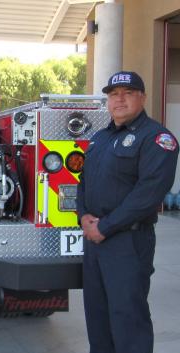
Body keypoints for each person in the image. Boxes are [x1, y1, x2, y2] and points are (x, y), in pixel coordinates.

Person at [77, 71, 179, 353]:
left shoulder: (157, 138)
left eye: (128, 93)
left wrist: (105, 227)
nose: (119, 99)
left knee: (127, 320)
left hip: (128, 243)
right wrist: (83, 216)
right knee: (97, 319)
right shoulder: (99, 138)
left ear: (142, 97)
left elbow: (148, 195)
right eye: (113, 94)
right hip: (95, 242)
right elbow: (84, 182)